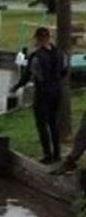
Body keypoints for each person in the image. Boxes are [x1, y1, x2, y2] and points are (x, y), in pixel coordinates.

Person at [9, 27, 69, 164]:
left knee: (41, 123)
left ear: (38, 39)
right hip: (56, 91)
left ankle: (47, 155)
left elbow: (28, 76)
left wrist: (16, 87)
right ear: (49, 38)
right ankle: (57, 154)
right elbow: (64, 71)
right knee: (53, 122)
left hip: (42, 92)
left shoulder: (35, 56)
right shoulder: (60, 53)